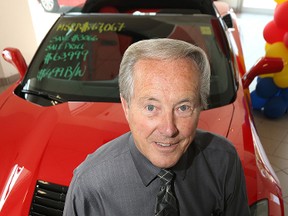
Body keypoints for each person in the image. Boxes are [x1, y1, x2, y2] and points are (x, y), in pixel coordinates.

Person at [63, 38, 251, 215]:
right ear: (126, 106)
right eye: (151, 107)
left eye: (183, 107)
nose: (169, 130)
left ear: (200, 106)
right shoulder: (89, 184)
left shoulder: (224, 162)